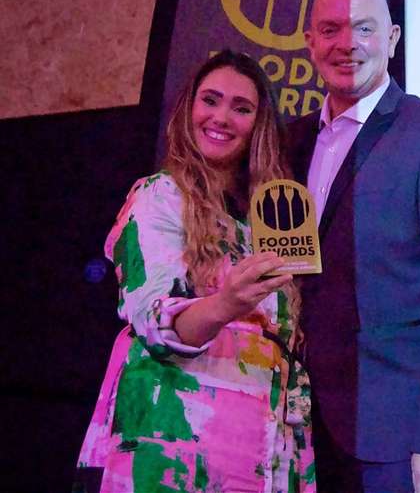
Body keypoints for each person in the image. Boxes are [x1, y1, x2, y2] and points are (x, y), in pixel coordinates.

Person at [285, 0, 420, 493]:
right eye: (330, 29)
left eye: (364, 29)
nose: (347, 44)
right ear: (310, 41)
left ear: (394, 39)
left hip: (399, 437)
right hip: (299, 432)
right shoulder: (288, 142)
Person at [73, 50, 315, 493]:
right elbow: (156, 319)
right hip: (171, 443)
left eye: (241, 108)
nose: (221, 117)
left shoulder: (271, 217)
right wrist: (226, 303)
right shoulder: (159, 196)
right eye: (211, 100)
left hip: (263, 448)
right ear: (189, 109)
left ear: (259, 125)